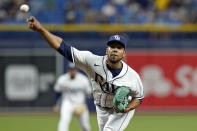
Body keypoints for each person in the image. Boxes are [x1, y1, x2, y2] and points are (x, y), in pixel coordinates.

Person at [27, 16, 144, 131]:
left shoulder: (132, 77)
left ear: (124, 54)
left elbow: (139, 97)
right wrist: (41, 29)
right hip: (101, 109)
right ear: (106, 50)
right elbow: (62, 47)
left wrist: (127, 108)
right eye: (112, 46)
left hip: (120, 111)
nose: (115, 50)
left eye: (119, 48)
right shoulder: (92, 61)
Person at [53, 63, 92, 131]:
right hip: (68, 103)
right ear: (68, 70)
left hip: (80, 104)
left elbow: (89, 94)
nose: (72, 71)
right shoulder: (62, 79)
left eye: (73, 70)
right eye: (71, 70)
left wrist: (85, 105)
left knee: (85, 126)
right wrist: (55, 105)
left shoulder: (83, 79)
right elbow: (57, 92)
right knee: (64, 121)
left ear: (76, 70)